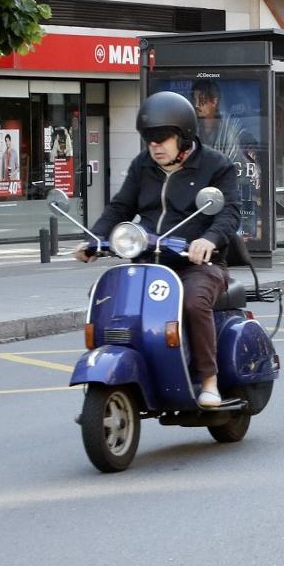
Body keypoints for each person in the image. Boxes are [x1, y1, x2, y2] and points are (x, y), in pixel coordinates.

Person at [75, 91, 241, 409]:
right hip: (148, 263)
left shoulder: (215, 166)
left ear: (184, 136)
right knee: (107, 298)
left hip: (197, 264)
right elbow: (121, 207)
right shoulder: (143, 166)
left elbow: (229, 212)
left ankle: (208, 380)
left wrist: (209, 240)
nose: (155, 146)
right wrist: (94, 239)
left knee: (193, 303)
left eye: (162, 138)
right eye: (150, 139)